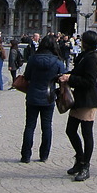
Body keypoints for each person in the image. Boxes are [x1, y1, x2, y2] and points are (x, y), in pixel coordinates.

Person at [59, 30, 97, 181]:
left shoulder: (92, 59)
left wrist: (71, 79)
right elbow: (77, 72)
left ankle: (85, 166)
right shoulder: (84, 56)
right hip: (78, 99)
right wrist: (65, 75)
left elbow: (89, 81)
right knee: (70, 130)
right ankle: (79, 158)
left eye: (82, 40)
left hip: (88, 100)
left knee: (86, 133)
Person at [21, 34, 66, 163]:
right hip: (48, 96)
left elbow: (27, 76)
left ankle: (26, 155)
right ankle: (44, 155)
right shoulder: (57, 61)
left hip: (33, 95)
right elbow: (62, 78)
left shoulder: (33, 59)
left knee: (29, 126)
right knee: (46, 126)